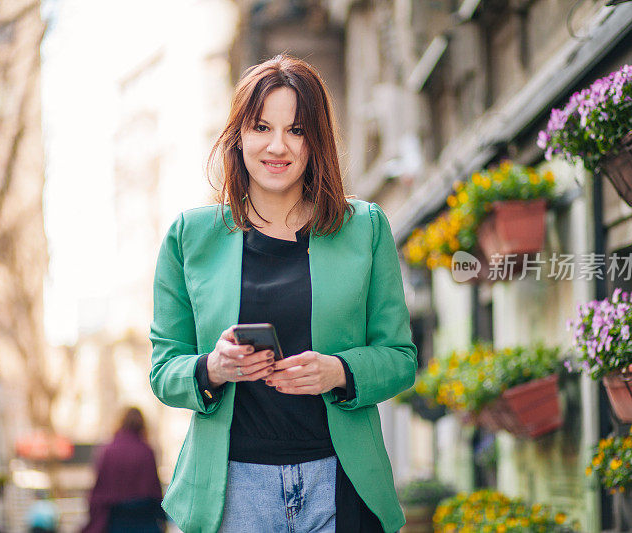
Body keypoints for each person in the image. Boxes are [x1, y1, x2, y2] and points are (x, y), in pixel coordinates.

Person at [149, 54, 417, 533]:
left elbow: (399, 358)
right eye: (261, 127)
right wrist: (213, 367)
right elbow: (164, 368)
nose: (278, 146)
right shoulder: (189, 236)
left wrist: (338, 370)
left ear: (316, 142)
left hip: (339, 480)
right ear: (238, 136)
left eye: (296, 130)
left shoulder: (365, 228)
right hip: (233, 490)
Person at [81, 407, 164, 533]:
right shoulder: (147, 451)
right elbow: (155, 492)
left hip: (115, 523)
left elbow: (98, 492)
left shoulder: (107, 451)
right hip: (145, 523)